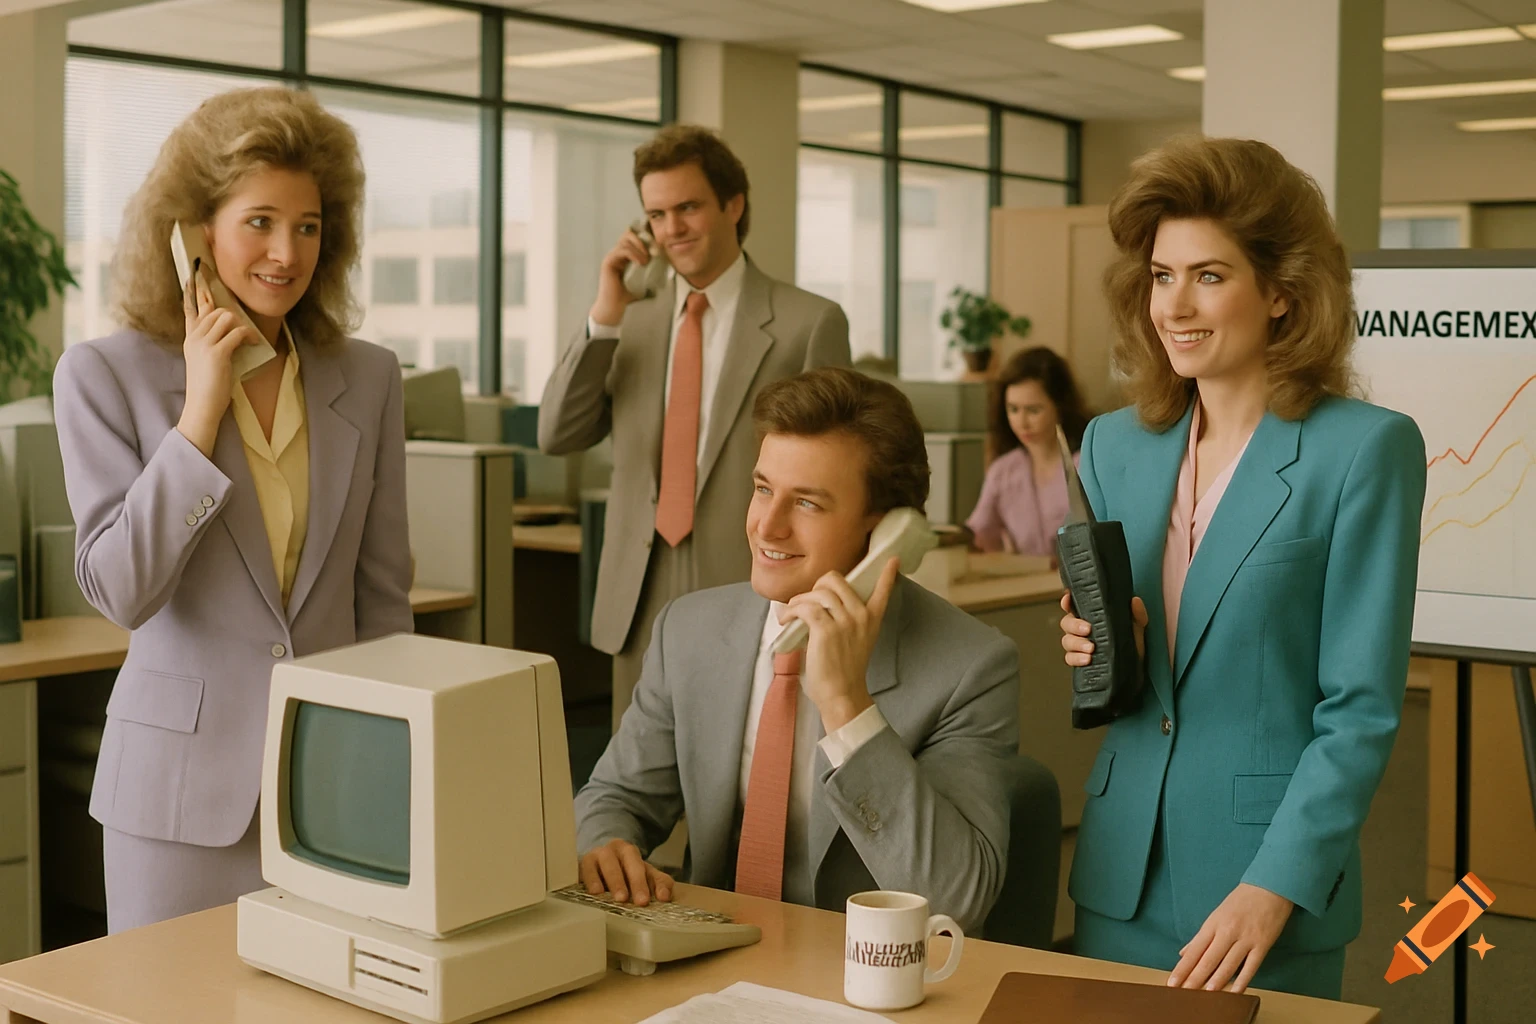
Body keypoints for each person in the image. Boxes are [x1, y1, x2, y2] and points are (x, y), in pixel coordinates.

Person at [1057, 137, 1426, 999]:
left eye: (1209, 276)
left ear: (1284, 293)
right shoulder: (1113, 445)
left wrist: (1275, 885)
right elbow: (1135, 677)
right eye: (1161, 275)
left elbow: (1360, 711)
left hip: (1263, 886)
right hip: (1121, 869)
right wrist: (1096, 649)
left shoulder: (1364, 451)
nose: (1175, 305)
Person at [53, 87, 414, 933]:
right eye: (259, 221)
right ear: (193, 231)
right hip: (178, 799)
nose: (286, 253)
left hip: (335, 790)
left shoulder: (367, 377)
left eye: (309, 225)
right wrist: (198, 416)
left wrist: (398, 766)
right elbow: (118, 589)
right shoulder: (104, 376)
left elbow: (383, 596)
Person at [574, 368, 1019, 932]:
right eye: (763, 489)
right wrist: (606, 841)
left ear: (884, 533)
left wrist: (847, 707)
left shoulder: (969, 666)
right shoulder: (689, 631)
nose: (767, 526)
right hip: (706, 963)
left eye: (806, 503)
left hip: (860, 983)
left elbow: (957, 897)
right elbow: (617, 795)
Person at [538, 125, 851, 730]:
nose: (672, 228)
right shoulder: (631, 320)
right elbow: (558, 432)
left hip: (752, 584)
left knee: (741, 776)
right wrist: (605, 315)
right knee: (639, 783)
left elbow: (834, 475)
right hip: (638, 591)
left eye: (688, 207)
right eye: (656, 214)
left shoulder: (807, 322)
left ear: (733, 205)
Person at [964, 346, 1091, 556]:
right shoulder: (1004, 470)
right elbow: (979, 532)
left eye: (1033, 410)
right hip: (1026, 584)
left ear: (1059, 407)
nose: (1022, 422)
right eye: (1013, 409)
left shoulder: (1086, 465)